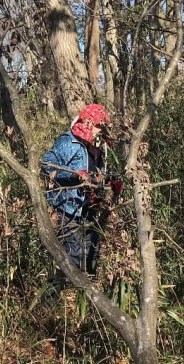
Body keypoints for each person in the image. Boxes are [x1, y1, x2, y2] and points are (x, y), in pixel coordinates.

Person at [41, 104, 123, 277]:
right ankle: (51, 299)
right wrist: (74, 176)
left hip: (89, 208)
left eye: (102, 127)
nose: (99, 131)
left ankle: (87, 299)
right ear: (87, 123)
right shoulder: (69, 141)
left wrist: (110, 182)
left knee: (92, 255)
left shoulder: (98, 148)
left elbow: (96, 175)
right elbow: (46, 164)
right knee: (73, 259)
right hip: (68, 207)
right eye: (97, 126)